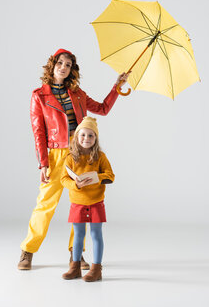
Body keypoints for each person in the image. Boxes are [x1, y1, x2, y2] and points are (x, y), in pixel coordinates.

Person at [18, 48, 127, 270]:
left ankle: (75, 255)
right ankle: (27, 251)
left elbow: (103, 109)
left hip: (80, 153)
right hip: (56, 154)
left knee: (81, 202)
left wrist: (117, 87)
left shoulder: (77, 94)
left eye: (68, 65)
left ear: (72, 70)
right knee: (45, 204)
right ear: (52, 65)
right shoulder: (39, 95)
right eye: (60, 63)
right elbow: (38, 131)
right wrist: (43, 163)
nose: (63, 67)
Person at [61, 117, 114, 282]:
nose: (86, 139)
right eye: (82, 135)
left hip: (96, 202)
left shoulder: (101, 156)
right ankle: (75, 267)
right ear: (76, 137)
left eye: (91, 135)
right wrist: (75, 183)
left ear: (95, 138)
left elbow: (110, 176)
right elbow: (63, 179)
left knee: (96, 234)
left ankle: (96, 269)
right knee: (78, 235)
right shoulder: (70, 157)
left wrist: (97, 177)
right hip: (77, 203)